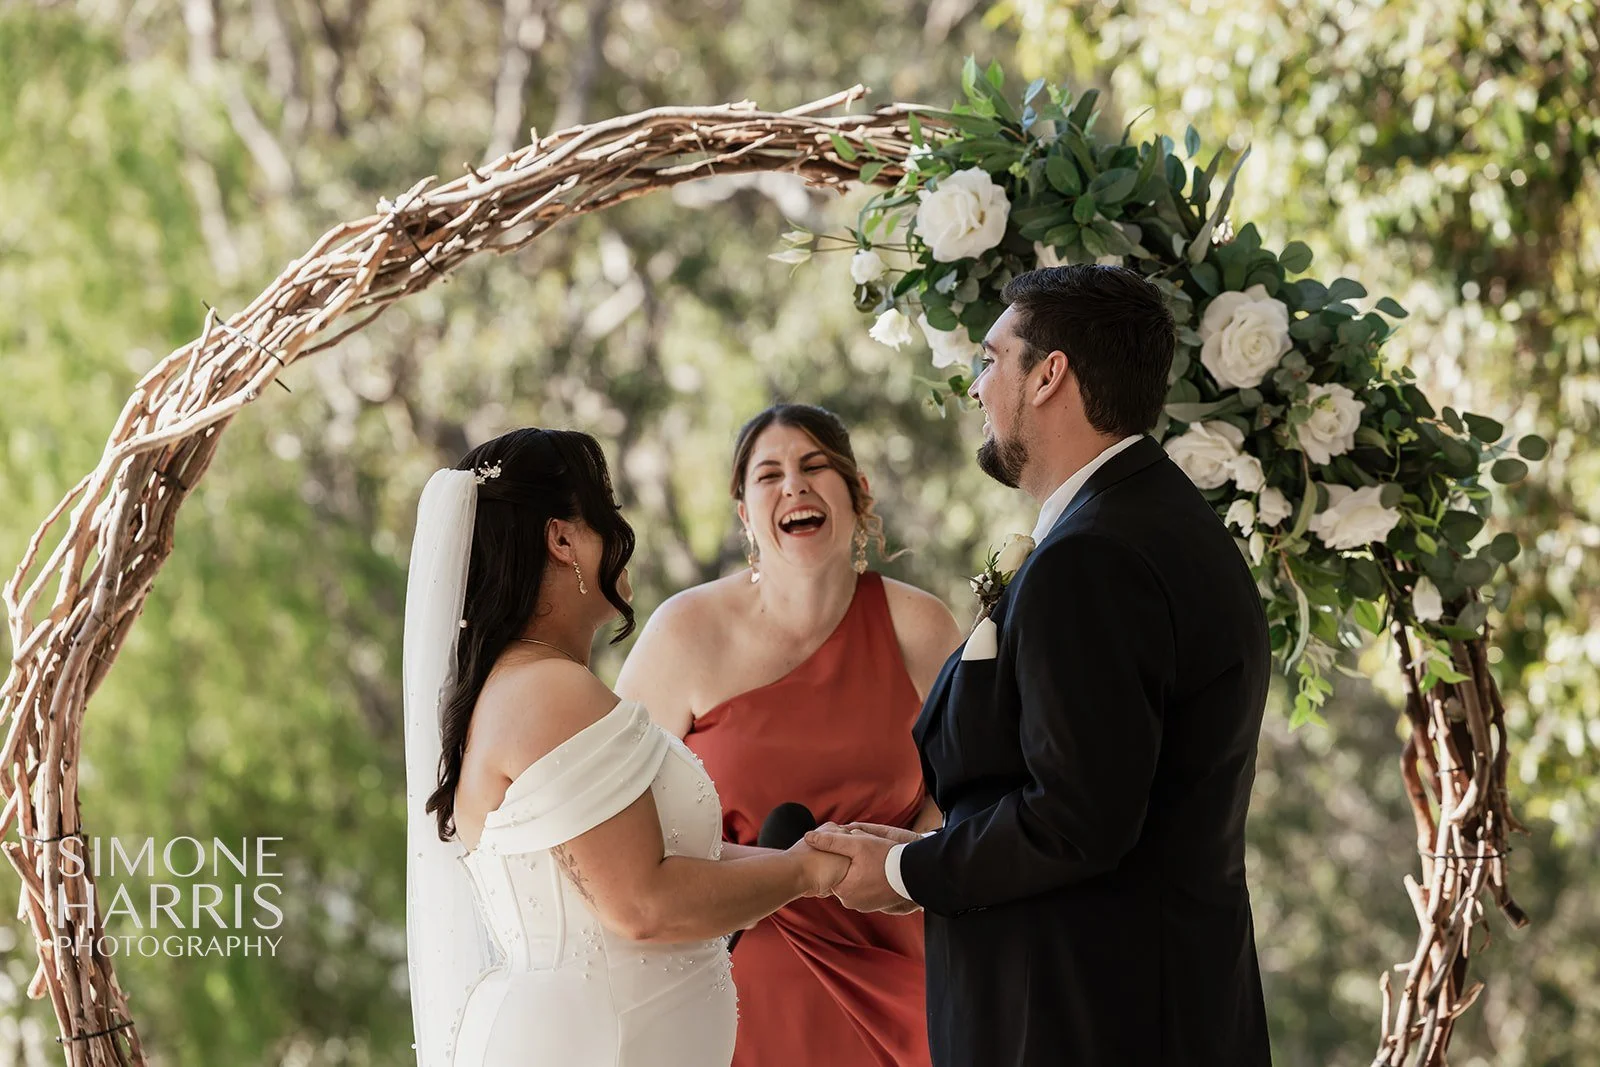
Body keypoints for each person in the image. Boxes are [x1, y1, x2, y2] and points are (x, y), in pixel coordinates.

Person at [807, 265, 1275, 1066]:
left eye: (992, 360)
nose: (980, 388)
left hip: (1084, 1018)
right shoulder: (1155, 522)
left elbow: (1075, 818)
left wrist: (903, 868)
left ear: (1050, 374)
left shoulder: (1094, 557)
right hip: (1157, 1002)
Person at [401, 427, 848, 1067]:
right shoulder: (546, 693)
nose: (621, 532)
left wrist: (813, 861)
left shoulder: (525, 687)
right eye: (605, 510)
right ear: (560, 539)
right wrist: (805, 874)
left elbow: (665, 857)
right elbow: (642, 902)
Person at [616, 403, 963, 1067]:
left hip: (900, 958)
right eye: (768, 474)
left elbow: (967, 790)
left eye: (813, 467)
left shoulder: (920, 625)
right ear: (746, 513)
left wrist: (906, 858)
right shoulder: (684, 634)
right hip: (739, 973)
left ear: (858, 493)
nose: (793, 486)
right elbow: (617, 818)